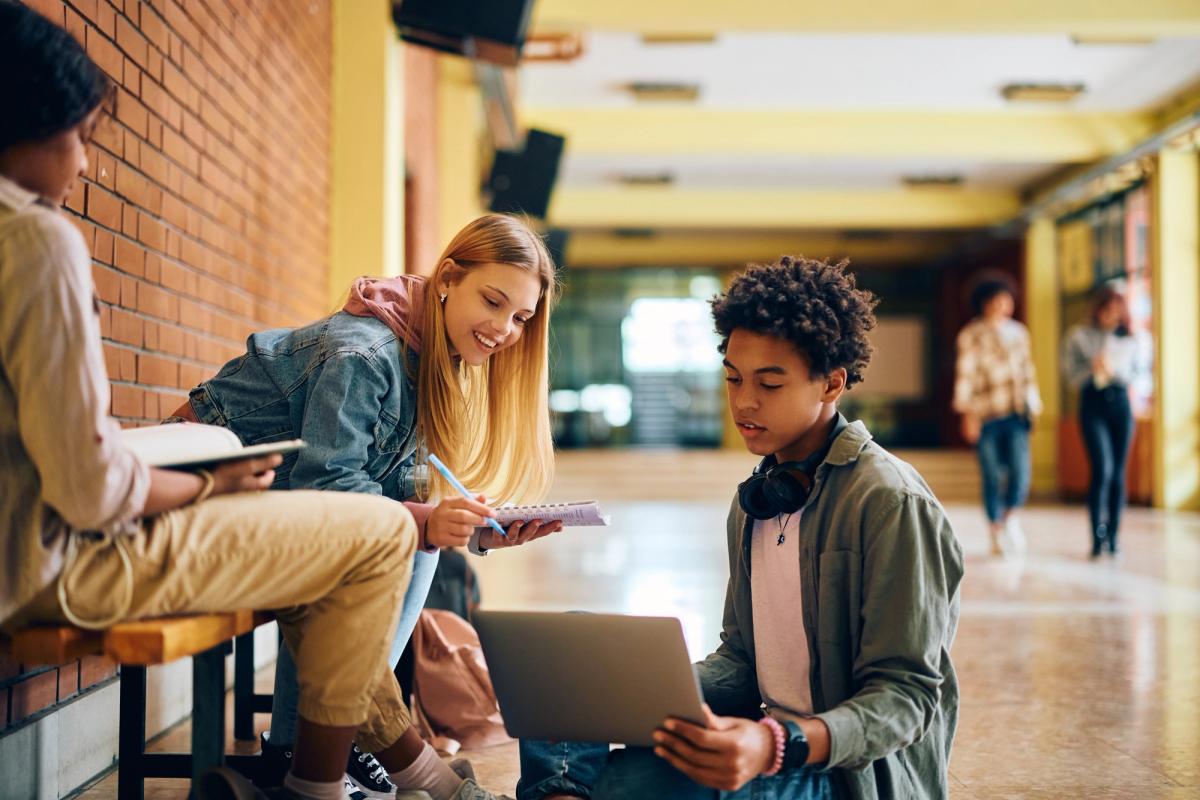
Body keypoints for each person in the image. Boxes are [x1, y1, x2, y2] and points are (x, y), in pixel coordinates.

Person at [0, 5, 421, 800]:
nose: (85, 166)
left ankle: (376, 769)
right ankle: (316, 787)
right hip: (46, 564)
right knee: (379, 532)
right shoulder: (35, 240)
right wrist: (209, 482)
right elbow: (87, 489)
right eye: (81, 137)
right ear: (28, 121)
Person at [517, 257, 964, 800]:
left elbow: (906, 700)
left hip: (848, 774)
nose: (744, 402)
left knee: (621, 787)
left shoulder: (889, 502)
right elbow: (744, 662)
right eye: (733, 378)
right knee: (576, 664)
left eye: (770, 384)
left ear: (832, 384)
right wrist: (650, 690)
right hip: (765, 737)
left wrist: (774, 743)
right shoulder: (758, 497)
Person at [169, 213, 563, 799]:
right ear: (449, 277)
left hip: (269, 518)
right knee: (374, 560)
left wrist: (476, 530)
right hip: (188, 517)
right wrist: (430, 523)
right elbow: (328, 491)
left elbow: (396, 489)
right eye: (494, 301)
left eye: (521, 317)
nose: (504, 328)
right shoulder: (366, 353)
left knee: (413, 550)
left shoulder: (432, 351)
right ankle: (321, 753)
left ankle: (315, 749)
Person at [952, 272, 1042, 556]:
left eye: (1008, 299)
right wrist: (967, 414)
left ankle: (1010, 518)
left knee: (1020, 472)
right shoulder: (970, 335)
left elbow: (1028, 372)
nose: (1005, 304)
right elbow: (965, 376)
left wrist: (1034, 407)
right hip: (985, 415)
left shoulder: (1019, 333)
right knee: (991, 475)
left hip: (1016, 414)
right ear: (986, 303)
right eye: (999, 299)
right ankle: (994, 529)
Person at [1062, 287, 1146, 557]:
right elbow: (1069, 373)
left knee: (1118, 472)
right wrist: (1092, 369)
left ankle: (1114, 534)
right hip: (1092, 405)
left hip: (1121, 405)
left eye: (1116, 312)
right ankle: (1096, 536)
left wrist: (1115, 371)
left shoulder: (1132, 339)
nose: (1111, 316)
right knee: (1102, 469)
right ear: (1097, 310)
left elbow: (1139, 374)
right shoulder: (1078, 336)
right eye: (1106, 311)